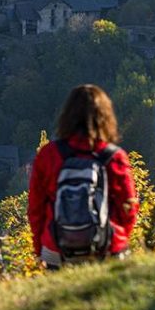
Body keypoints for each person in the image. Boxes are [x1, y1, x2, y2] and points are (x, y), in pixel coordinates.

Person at [28, 84, 139, 269]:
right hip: (107, 247)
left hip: (57, 248)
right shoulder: (114, 157)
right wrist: (117, 239)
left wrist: (42, 248)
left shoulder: (48, 155)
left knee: (63, 298)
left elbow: (35, 209)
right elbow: (128, 206)